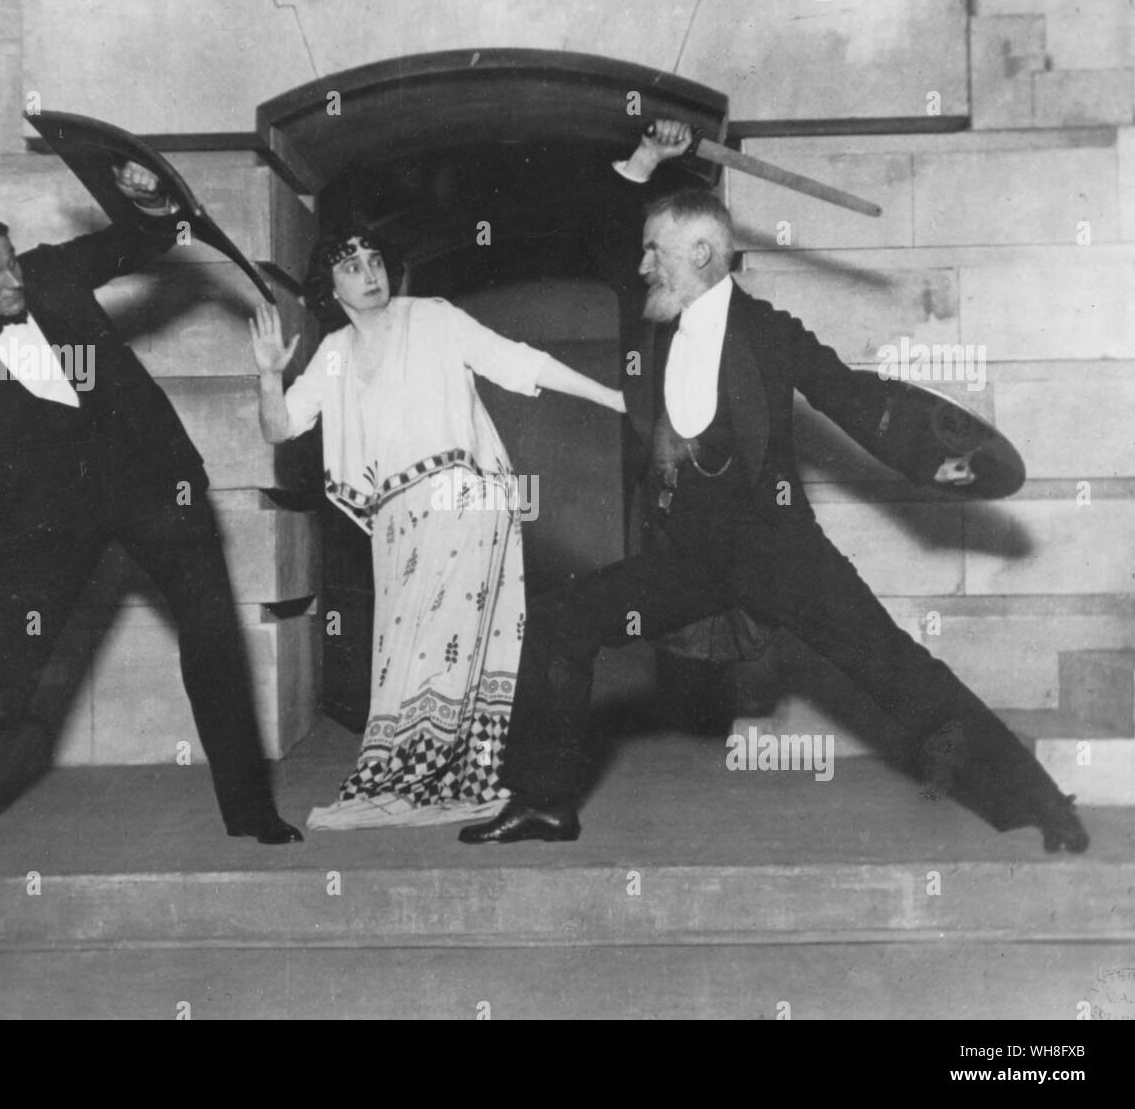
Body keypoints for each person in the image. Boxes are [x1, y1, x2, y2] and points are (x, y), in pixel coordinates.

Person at [460, 121, 1090, 854]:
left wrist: (939, 458)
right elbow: (602, 230)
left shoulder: (768, 333)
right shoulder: (656, 321)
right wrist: (645, 160)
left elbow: (855, 398)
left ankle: (1041, 802)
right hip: (689, 557)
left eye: (653, 252)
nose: (639, 266)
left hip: (778, 549)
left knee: (896, 670)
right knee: (563, 620)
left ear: (700, 254)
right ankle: (543, 801)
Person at [0, 161, 301, 852]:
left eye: (12, 262)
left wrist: (147, 196)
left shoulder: (52, 271)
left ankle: (253, 812)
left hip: (156, 489)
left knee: (214, 639)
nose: (14, 280)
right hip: (47, 527)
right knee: (4, 670)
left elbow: (141, 240)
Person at [250, 225, 624, 829]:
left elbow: (515, 362)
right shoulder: (336, 351)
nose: (370, 274)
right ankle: (436, 770)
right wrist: (270, 375)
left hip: (465, 495)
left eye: (375, 260)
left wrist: (613, 398)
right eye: (351, 266)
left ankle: (450, 770)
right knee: (407, 643)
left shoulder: (432, 318)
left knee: (441, 638)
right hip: (398, 518)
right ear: (331, 285)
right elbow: (280, 426)